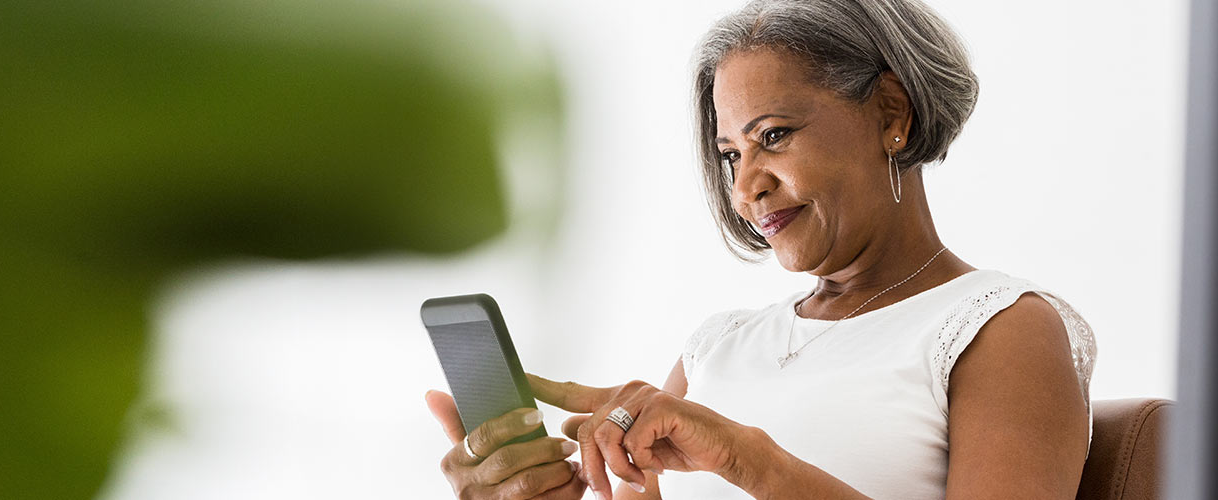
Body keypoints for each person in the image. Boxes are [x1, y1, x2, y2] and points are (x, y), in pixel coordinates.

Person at [425, 0, 1097, 498]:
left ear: (892, 114)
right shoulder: (716, 348)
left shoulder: (999, 328)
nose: (747, 186)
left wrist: (748, 459)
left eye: (773, 136)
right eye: (730, 154)